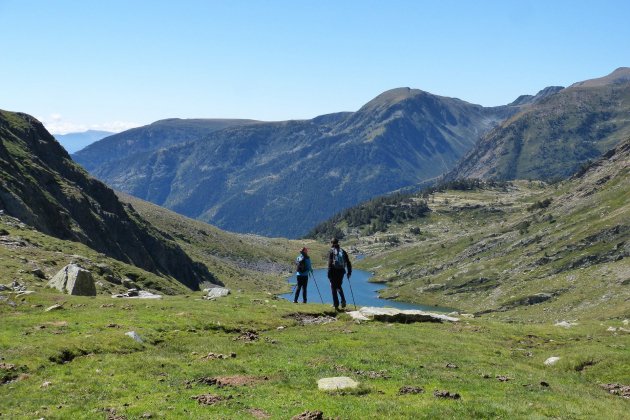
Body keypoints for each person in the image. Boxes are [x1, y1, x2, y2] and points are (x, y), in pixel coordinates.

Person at [327, 238, 352, 311]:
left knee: (333, 287)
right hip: (341, 271)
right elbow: (348, 262)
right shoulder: (343, 251)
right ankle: (343, 300)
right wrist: (349, 272)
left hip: (333, 271)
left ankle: (336, 305)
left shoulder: (332, 251)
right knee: (338, 286)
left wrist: (329, 273)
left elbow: (330, 263)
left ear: (331, 243)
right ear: (338, 243)